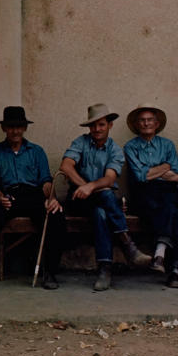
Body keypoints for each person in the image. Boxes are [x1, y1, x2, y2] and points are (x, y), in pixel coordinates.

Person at [60, 103, 153, 291]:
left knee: (101, 212)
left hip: (102, 200)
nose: (97, 129)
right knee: (105, 197)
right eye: (93, 125)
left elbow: (109, 179)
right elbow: (66, 166)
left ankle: (105, 270)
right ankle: (128, 245)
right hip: (78, 199)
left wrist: (91, 186)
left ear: (110, 125)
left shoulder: (116, 150)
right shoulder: (80, 142)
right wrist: (83, 186)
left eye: (101, 124)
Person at [0, 106, 66, 292]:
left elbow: (46, 181)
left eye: (19, 126)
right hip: (8, 195)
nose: (15, 131)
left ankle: (49, 272)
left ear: (25, 128)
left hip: (33, 195)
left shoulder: (36, 151)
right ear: (4, 128)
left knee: (54, 217)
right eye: (11, 126)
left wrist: (51, 199)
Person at [123, 103, 178, 288]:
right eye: (142, 120)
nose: (146, 123)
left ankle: (160, 256)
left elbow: (177, 176)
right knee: (171, 213)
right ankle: (174, 268)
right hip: (143, 194)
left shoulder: (167, 145)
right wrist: (165, 167)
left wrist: (153, 171)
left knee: (171, 209)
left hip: (166, 192)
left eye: (150, 120)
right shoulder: (130, 147)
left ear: (157, 124)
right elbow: (141, 176)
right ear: (136, 125)